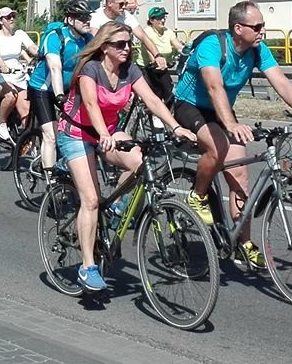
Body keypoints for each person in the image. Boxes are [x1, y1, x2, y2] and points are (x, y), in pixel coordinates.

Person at [174, 1, 292, 267]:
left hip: (221, 110)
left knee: (241, 178)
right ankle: (197, 195)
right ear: (238, 28)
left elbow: (281, 82)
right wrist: (231, 124)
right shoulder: (213, 45)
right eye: (257, 27)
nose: (262, 31)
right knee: (218, 146)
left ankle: (244, 244)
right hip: (191, 106)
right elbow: (214, 86)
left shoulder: (257, 50)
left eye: (262, 26)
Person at [57, 21, 196, 291]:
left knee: (140, 162)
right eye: (120, 44)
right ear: (104, 47)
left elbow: (152, 100)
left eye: (129, 43)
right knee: (91, 200)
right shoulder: (90, 69)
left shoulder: (129, 70)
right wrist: (102, 134)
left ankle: (117, 208)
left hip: (107, 132)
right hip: (76, 133)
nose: (127, 48)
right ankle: (88, 267)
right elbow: (90, 104)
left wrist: (176, 127)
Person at [27, 0, 94, 178]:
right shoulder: (55, 37)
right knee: (51, 135)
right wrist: (59, 95)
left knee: (81, 129)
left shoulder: (88, 39)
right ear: (70, 20)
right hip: (43, 89)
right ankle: (51, 183)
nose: (87, 21)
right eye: (82, 18)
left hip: (68, 89)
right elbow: (55, 67)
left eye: (88, 17)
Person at [0, 7, 38, 142]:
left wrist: (46, 54)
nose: (12, 19)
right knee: (10, 95)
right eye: (8, 17)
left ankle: (28, 142)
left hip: (17, 74)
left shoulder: (19, 34)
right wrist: (3, 66)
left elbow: (32, 48)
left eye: (13, 16)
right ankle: (1, 123)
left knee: (26, 111)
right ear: (1, 20)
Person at [90, 0, 169, 71]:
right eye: (121, 4)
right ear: (109, 3)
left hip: (123, 62)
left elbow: (143, 36)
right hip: (102, 62)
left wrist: (157, 55)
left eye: (126, 3)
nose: (124, 7)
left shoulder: (126, 16)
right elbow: (95, 41)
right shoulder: (96, 17)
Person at [135, 6, 184, 104]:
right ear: (151, 20)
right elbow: (150, 53)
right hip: (147, 67)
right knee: (154, 95)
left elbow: (178, 46)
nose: (162, 20)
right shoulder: (147, 32)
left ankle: (168, 111)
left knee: (169, 93)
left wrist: (188, 51)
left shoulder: (168, 31)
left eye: (163, 18)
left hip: (162, 67)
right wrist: (156, 61)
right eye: (159, 18)